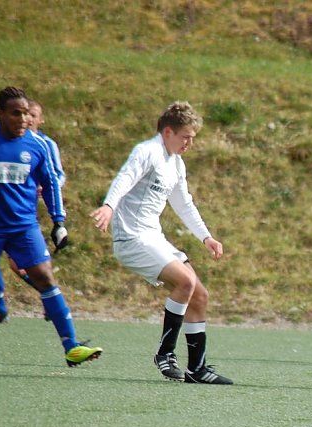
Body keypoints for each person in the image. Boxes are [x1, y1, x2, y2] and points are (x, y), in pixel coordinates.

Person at [91, 101, 231, 385]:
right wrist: (108, 205)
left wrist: (206, 236)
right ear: (168, 132)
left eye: (192, 138)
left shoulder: (176, 163)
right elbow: (125, 178)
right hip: (131, 237)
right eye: (186, 137)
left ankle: (197, 369)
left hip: (154, 237)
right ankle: (165, 353)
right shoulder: (147, 151)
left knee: (199, 294)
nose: (189, 143)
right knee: (185, 283)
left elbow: (184, 203)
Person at [0, 86, 102, 366]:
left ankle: (71, 347)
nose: (23, 119)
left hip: (23, 227)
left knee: (45, 278)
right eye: (16, 113)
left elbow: (51, 183)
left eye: (27, 114)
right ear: (1, 114)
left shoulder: (37, 145)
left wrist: (58, 222)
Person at [0, 99, 66, 323]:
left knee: (22, 265)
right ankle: (1, 307)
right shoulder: (6, 141)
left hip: (31, 211)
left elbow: (57, 176)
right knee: (4, 263)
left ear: (40, 119)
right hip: (4, 209)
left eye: (32, 115)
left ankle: (47, 299)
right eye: (23, 114)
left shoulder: (44, 144)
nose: (27, 119)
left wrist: (45, 190)